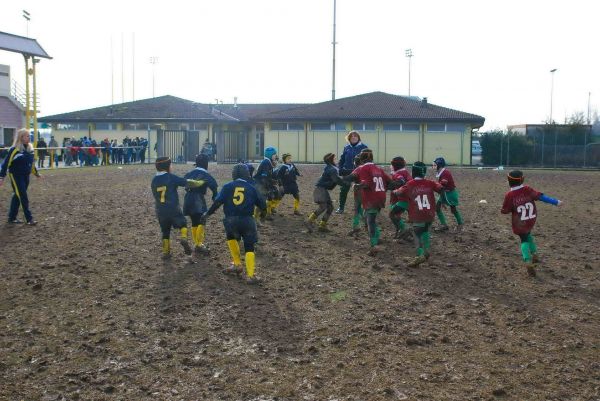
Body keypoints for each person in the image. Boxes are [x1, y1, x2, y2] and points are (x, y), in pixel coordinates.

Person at [204, 164, 267, 284]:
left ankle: (237, 264)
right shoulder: (251, 187)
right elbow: (263, 205)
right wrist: (263, 216)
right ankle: (251, 275)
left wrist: (207, 214)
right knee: (249, 247)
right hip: (247, 220)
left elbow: (217, 203)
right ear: (246, 174)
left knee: (231, 238)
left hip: (231, 220)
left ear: (234, 175)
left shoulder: (228, 186)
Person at [501, 170, 562, 277]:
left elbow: (505, 210)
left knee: (523, 240)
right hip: (531, 219)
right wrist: (555, 202)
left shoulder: (509, 195)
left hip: (520, 222)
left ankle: (528, 261)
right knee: (528, 234)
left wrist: (503, 210)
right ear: (522, 180)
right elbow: (541, 197)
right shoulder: (527, 189)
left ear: (509, 181)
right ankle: (535, 254)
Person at [151, 156, 205, 259]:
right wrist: (200, 183)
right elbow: (187, 182)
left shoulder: (154, 180)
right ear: (167, 166)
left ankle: (166, 252)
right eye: (171, 165)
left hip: (160, 210)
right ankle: (184, 238)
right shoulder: (171, 177)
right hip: (173, 209)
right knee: (183, 224)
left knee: (165, 231)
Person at [393, 161, 443, 267]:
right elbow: (440, 188)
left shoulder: (410, 184)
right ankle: (426, 251)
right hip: (430, 214)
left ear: (413, 172)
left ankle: (419, 255)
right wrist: (442, 200)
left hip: (418, 215)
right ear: (424, 172)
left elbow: (400, 192)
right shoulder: (430, 182)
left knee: (416, 234)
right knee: (425, 230)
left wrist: (395, 191)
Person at [344, 149, 393, 255]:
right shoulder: (377, 168)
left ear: (361, 160)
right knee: (370, 217)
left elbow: (362, 182)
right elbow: (390, 182)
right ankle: (376, 238)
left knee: (367, 218)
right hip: (379, 196)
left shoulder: (361, 168)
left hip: (368, 196)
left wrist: (353, 184)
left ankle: (372, 243)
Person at [0, 128, 41, 225]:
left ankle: (12, 217)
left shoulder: (30, 149)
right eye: (27, 136)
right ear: (21, 137)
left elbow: (31, 164)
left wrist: (36, 173)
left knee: (17, 196)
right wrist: (1, 177)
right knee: (22, 195)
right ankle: (29, 219)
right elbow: (6, 164)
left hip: (26, 176)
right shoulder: (14, 150)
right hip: (16, 176)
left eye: (29, 135)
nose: (29, 137)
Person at [183, 154, 218, 254]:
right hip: (198, 199)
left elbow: (185, 183)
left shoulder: (190, 173)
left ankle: (196, 243)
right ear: (206, 164)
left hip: (188, 199)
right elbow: (214, 187)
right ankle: (199, 244)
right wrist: (215, 197)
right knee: (202, 221)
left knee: (194, 222)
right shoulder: (206, 175)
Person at [305, 153, 345, 232]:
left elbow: (341, 173)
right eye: (335, 158)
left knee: (330, 207)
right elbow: (337, 180)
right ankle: (308, 221)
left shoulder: (331, 167)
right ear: (331, 160)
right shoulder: (332, 169)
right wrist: (347, 183)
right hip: (320, 190)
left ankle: (322, 226)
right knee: (323, 207)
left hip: (321, 189)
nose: (337, 160)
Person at [336, 130, 368, 214]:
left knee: (361, 191)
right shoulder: (346, 147)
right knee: (343, 190)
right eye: (351, 136)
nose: (353, 137)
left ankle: (364, 208)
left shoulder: (364, 147)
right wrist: (339, 168)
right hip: (347, 172)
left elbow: (368, 161)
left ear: (358, 137)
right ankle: (341, 208)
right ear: (349, 138)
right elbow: (342, 160)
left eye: (355, 136)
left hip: (360, 173)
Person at [432, 157, 464, 231]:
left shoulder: (445, 173)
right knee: (437, 208)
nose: (434, 166)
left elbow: (442, 185)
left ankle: (460, 224)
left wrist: (433, 186)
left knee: (453, 209)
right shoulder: (441, 172)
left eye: (435, 164)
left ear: (439, 165)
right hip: (445, 193)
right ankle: (444, 225)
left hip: (449, 194)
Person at [389, 156, 412, 239]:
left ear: (395, 166)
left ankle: (404, 229)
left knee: (392, 214)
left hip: (403, 199)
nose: (390, 166)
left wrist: (390, 186)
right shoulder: (405, 172)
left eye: (391, 165)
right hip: (409, 198)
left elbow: (401, 181)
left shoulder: (398, 174)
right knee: (397, 214)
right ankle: (401, 230)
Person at [253, 146, 279, 220]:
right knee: (263, 199)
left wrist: (272, 181)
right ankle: (256, 216)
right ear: (270, 155)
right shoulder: (266, 162)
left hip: (263, 182)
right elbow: (264, 177)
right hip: (259, 183)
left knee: (274, 194)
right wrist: (268, 186)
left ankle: (268, 212)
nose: (276, 156)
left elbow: (267, 176)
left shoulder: (268, 162)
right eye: (274, 154)